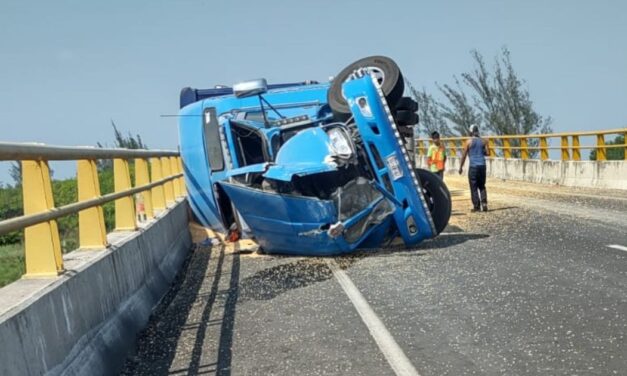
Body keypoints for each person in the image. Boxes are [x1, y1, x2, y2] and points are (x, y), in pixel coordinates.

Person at [458, 125, 489, 212]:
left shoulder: (468, 142)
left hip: (473, 167)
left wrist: (461, 167)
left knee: (474, 186)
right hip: (482, 166)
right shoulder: (484, 141)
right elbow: (488, 153)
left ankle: (477, 206)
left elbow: (464, 155)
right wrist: (481, 151)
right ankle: (484, 203)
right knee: (482, 185)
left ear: (471, 132)